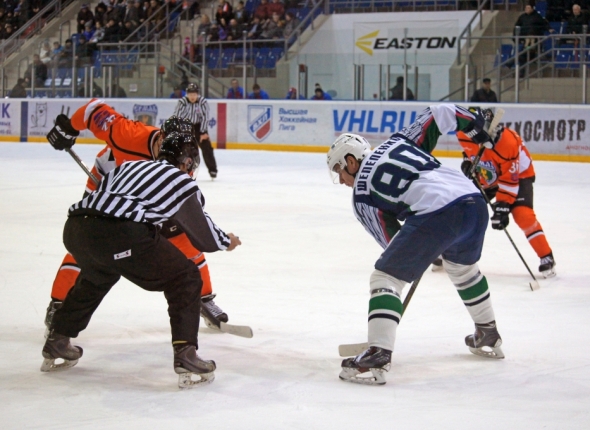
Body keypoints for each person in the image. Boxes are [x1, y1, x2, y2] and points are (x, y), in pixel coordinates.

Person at [42, 130, 241, 388]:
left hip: (76, 229)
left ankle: (58, 339)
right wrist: (227, 241)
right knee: (186, 277)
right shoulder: (180, 181)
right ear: (187, 162)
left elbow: (102, 197)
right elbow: (204, 236)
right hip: (120, 232)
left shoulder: (130, 167)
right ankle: (186, 354)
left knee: (98, 275)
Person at [327, 104, 505, 386]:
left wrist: (427, 253)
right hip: (474, 203)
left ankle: (379, 353)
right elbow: (437, 113)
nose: (340, 181)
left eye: (339, 170)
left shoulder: (361, 194)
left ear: (351, 161)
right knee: (463, 270)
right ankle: (488, 332)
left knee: (385, 277)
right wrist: (474, 123)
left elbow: (393, 243)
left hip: (438, 214)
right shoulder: (398, 141)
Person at [43, 100, 231, 343]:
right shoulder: (128, 134)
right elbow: (93, 110)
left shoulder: (184, 154)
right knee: (91, 244)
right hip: (109, 182)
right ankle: (59, 304)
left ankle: (203, 298)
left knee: (181, 236)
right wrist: (69, 127)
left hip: (144, 190)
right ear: (160, 136)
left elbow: (187, 209)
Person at [457, 123, 556, 277]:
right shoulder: (464, 132)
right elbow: (469, 150)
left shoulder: (508, 142)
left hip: (518, 175)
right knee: (464, 211)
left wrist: (502, 206)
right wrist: (468, 162)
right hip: (490, 174)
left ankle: (546, 256)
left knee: (522, 214)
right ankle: (448, 252)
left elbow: (510, 179)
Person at [174, 83, 218, 179]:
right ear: (187, 94)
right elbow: (177, 117)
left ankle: (212, 170)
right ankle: (184, 170)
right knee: (185, 149)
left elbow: (205, 117)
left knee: (206, 147)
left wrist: (203, 132)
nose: (192, 97)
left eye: (194, 94)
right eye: (190, 94)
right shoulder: (182, 102)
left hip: (199, 127)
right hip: (186, 127)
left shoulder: (202, 102)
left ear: (197, 94)